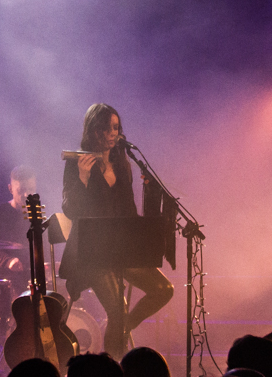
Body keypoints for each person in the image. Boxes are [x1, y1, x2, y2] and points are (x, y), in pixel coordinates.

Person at [59, 104, 173, 357]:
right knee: (117, 311)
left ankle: (123, 328)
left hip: (120, 248)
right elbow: (70, 210)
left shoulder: (123, 163)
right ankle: (116, 364)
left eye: (116, 128)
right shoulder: (76, 162)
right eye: (107, 129)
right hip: (91, 253)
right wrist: (83, 178)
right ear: (94, 130)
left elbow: (129, 212)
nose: (113, 134)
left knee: (164, 290)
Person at [0, 166, 38, 289]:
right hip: (4, 284)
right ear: (10, 189)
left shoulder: (40, 215)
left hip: (36, 282)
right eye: (21, 190)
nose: (27, 194)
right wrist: (7, 261)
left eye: (31, 189)